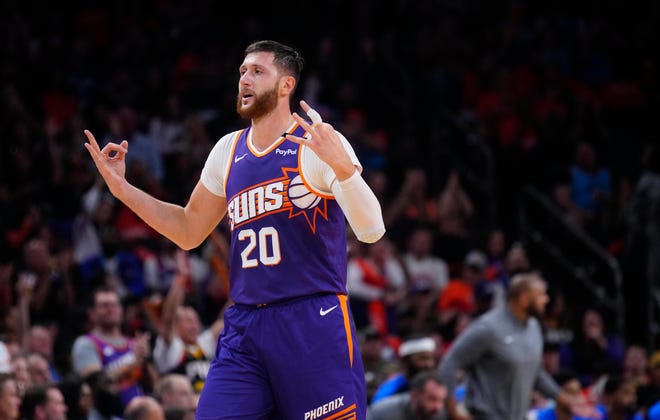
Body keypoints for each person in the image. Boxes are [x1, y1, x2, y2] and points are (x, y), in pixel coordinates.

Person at [84, 39, 386, 419]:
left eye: (258, 71)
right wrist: (122, 189)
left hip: (310, 320)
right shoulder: (228, 149)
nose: (245, 78)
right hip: (245, 325)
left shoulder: (318, 142)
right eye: (243, 71)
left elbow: (372, 230)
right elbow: (188, 230)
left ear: (286, 86)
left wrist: (344, 170)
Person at [438, 272, 586, 420]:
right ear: (523, 298)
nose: (546, 300)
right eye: (541, 295)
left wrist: (562, 398)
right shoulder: (488, 328)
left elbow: (535, 372)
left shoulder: (534, 327)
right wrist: (452, 411)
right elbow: (448, 364)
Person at [70, 286, 153, 408]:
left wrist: (144, 361)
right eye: (104, 305)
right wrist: (133, 363)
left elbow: (151, 386)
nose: (111, 309)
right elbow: (95, 382)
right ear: (91, 313)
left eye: (114, 305)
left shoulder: (133, 344)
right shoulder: (85, 343)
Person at [371, 336, 438, 403]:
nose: (429, 364)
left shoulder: (439, 387)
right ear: (406, 361)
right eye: (422, 358)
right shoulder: (391, 391)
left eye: (431, 358)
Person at [367, 370, 448, 420]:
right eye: (432, 399)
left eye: (441, 401)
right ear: (414, 395)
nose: (438, 407)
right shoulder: (382, 413)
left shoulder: (440, 414)